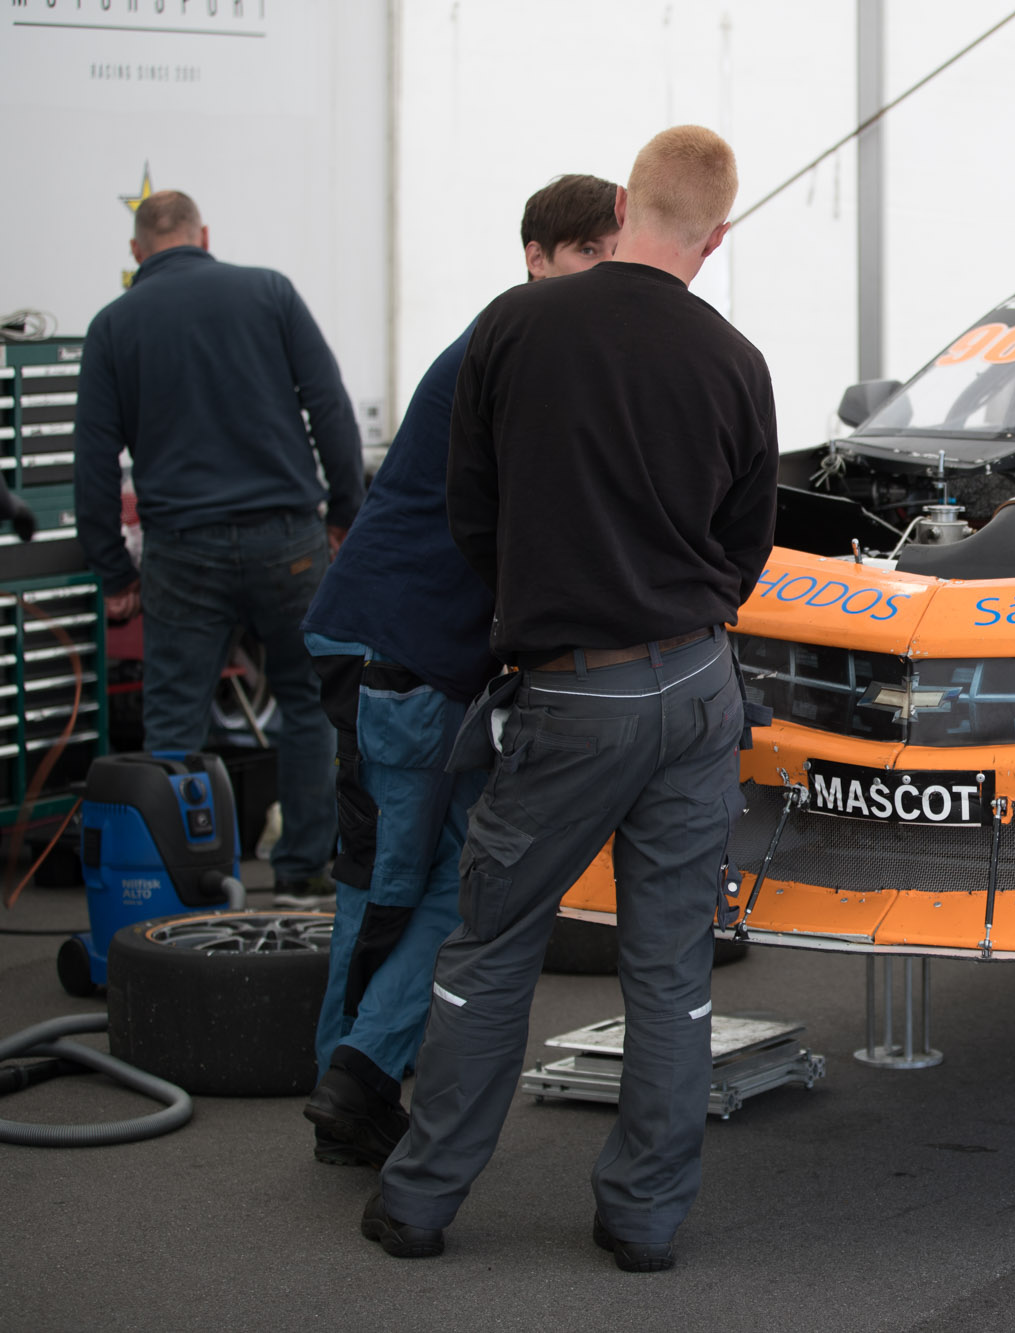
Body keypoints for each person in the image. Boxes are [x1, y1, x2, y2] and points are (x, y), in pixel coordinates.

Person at [362, 125, 778, 1272]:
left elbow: (470, 511)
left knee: (492, 947)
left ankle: (419, 1202)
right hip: (698, 681)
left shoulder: (514, 325)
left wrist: (545, 600)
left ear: (624, 205)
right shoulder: (735, 360)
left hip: (571, 690)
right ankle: (644, 1219)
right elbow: (745, 545)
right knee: (670, 965)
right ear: (717, 235)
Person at [297, 175, 623, 1169]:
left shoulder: (526, 346)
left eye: (615, 257)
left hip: (423, 657)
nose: (603, 276)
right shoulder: (513, 350)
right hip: (395, 655)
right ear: (536, 257)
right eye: (587, 254)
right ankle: (349, 1082)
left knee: (446, 883)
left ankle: (352, 1085)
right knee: (395, 887)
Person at [75, 191, 362, 901]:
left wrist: (113, 570)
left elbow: (94, 460)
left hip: (182, 547)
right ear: (202, 235)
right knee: (308, 703)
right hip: (288, 539)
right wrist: (344, 511)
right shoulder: (269, 292)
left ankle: (181, 884)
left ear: (137, 251)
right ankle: (302, 874)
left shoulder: (113, 324)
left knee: (176, 718)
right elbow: (328, 403)